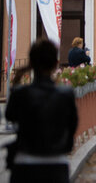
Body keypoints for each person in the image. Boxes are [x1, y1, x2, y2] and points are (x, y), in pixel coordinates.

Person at [6, 40, 78, 183]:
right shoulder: (65, 94)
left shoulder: (21, 93)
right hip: (56, 163)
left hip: (25, 163)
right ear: (55, 63)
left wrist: (16, 82)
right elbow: (72, 125)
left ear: (31, 62)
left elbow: (10, 115)